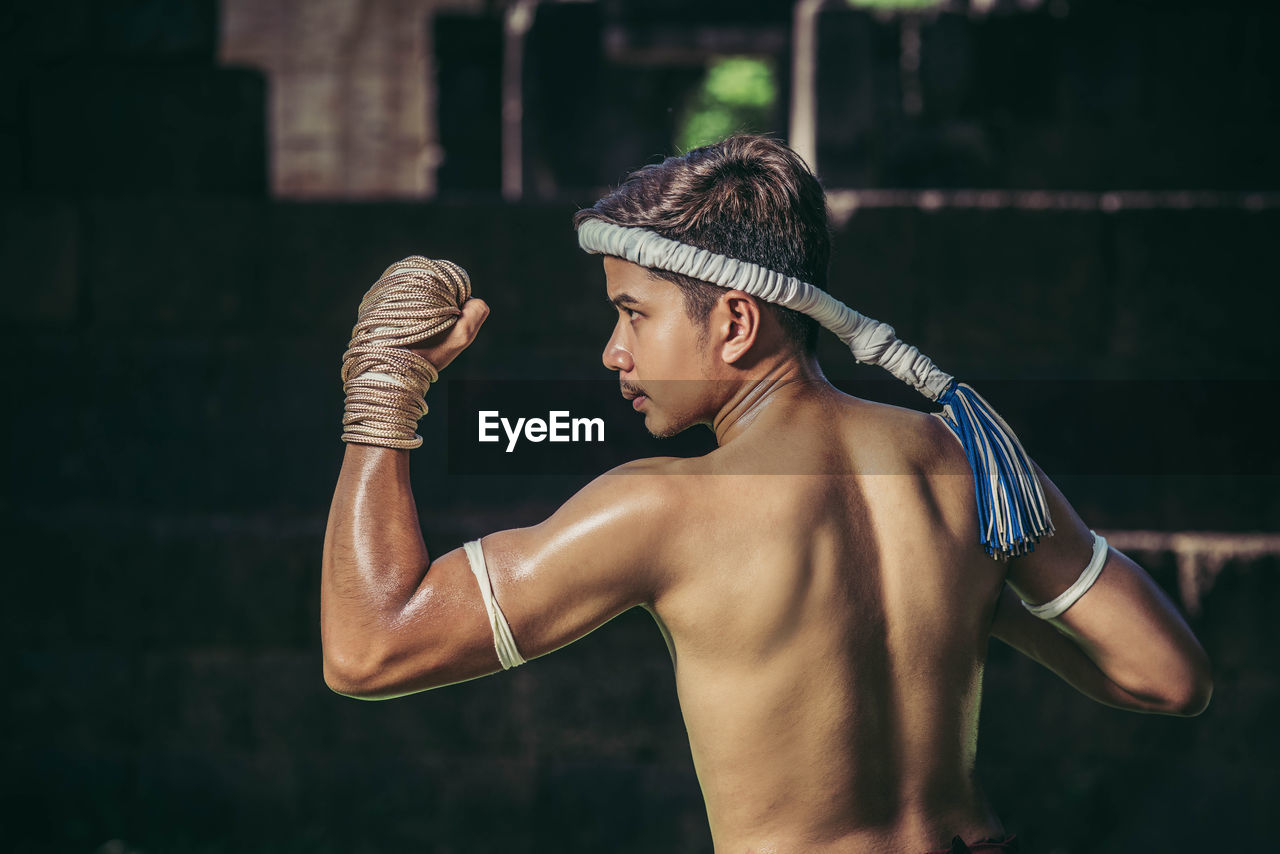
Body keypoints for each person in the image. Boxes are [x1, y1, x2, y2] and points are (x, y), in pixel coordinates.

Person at [320, 135, 1212, 853]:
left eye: (634, 313)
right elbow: (1169, 678)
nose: (613, 352)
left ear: (737, 322)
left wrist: (383, 387)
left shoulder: (661, 511)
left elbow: (369, 649)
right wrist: (973, 600)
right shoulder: (964, 461)